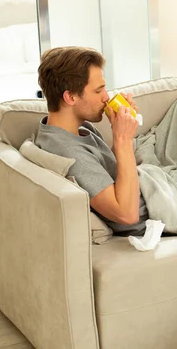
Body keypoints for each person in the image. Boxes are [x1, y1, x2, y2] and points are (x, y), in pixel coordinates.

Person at [35, 47, 147, 236]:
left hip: (150, 182)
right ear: (70, 97)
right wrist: (123, 139)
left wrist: (119, 128)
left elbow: (106, 171)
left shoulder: (72, 130)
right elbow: (127, 215)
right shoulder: (70, 154)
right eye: (98, 90)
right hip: (155, 203)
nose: (106, 97)